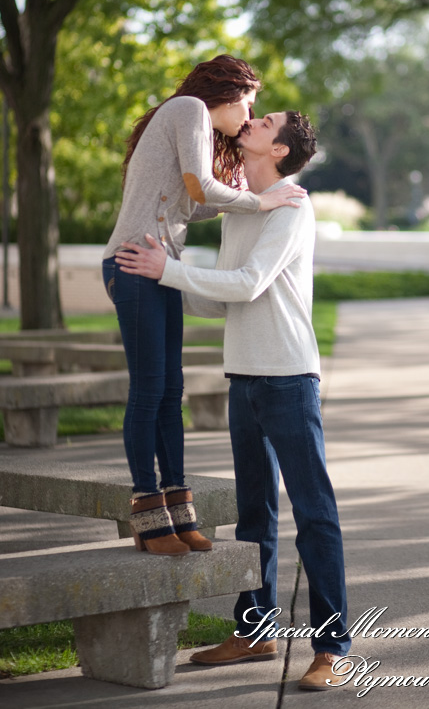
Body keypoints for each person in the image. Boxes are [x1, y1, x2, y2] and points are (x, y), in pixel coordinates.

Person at [115, 110, 350, 690]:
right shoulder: (244, 205)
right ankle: (255, 629)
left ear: (280, 149)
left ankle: (333, 647)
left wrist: (169, 270)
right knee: (254, 517)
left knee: (314, 513)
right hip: (243, 378)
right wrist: (155, 279)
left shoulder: (291, 204)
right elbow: (224, 300)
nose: (251, 120)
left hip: (289, 377)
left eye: (265, 121)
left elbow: (248, 282)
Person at [102, 56, 305, 557]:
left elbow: (192, 204)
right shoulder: (190, 107)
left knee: (173, 390)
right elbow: (199, 186)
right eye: (250, 103)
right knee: (149, 390)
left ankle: (178, 508)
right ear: (231, 92)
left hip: (157, 266)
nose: (249, 115)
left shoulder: (187, 118)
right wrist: (260, 202)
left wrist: (256, 199)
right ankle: (148, 516)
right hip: (133, 265)